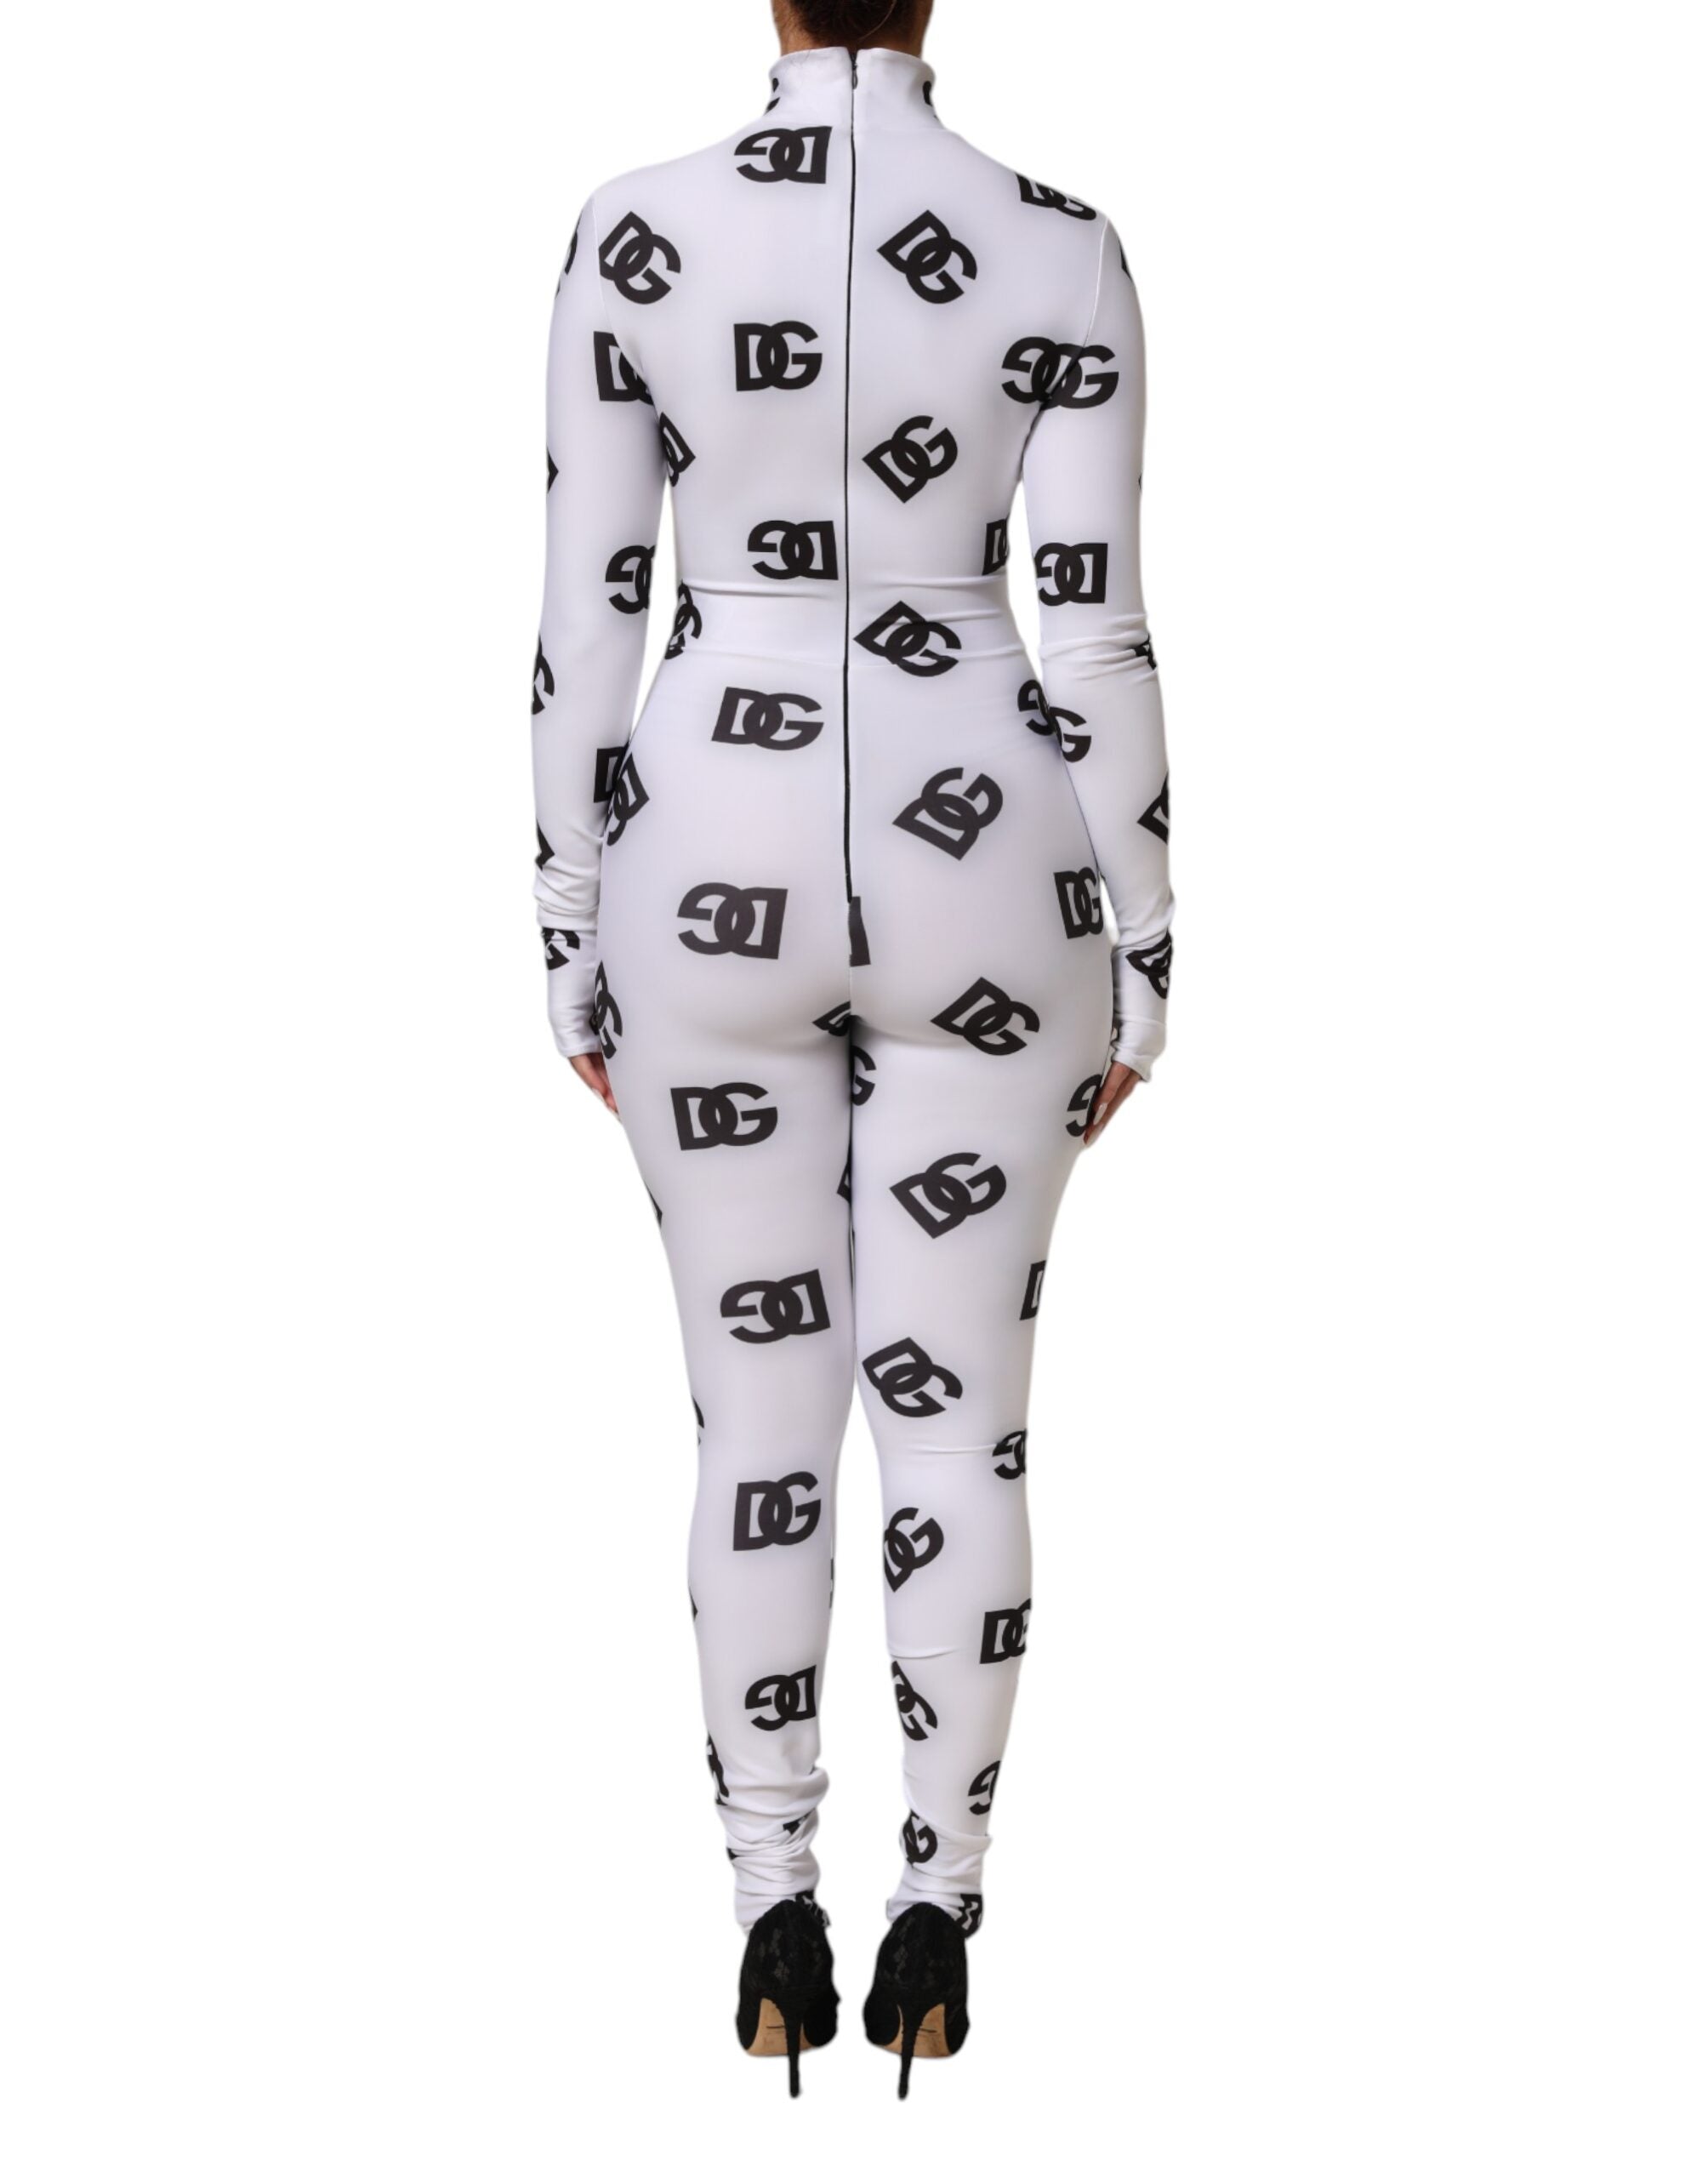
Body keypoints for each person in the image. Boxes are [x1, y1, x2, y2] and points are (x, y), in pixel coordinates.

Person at [530, 0, 1174, 2098]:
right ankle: (935, 1918)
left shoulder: (630, 233)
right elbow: (1091, 623)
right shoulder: (1060, 242)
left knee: (754, 1423)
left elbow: (584, 614)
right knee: (959, 1425)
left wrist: (564, 923)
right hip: (984, 836)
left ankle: (768, 1912)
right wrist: (1146, 941)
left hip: (704, 833)